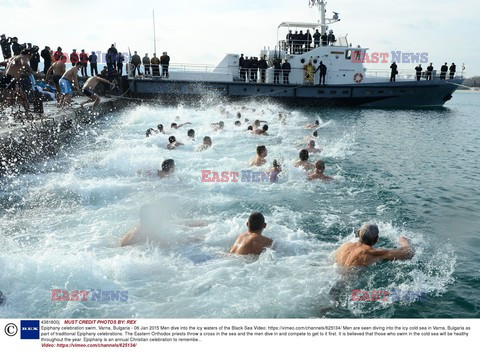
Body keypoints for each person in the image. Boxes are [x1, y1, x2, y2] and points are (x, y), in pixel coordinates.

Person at [335, 223, 414, 267]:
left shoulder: (345, 246)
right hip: (345, 287)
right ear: (376, 239)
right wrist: (404, 241)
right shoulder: (372, 253)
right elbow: (408, 253)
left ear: (358, 233)